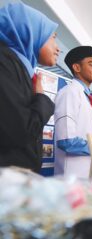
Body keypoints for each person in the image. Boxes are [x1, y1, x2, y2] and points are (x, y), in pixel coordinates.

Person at [0, 3, 59, 173]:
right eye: (53, 37)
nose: (57, 47)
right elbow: (20, 131)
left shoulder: (19, 66)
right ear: (30, 30)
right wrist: (41, 98)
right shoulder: (5, 62)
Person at [54, 46, 92, 178]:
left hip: (88, 175)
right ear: (77, 68)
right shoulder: (69, 93)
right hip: (72, 176)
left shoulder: (88, 97)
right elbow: (66, 141)